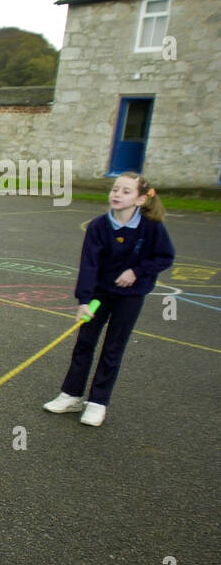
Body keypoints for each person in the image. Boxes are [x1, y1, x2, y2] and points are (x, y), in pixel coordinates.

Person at [43, 173, 175, 426]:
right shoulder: (98, 226)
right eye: (115, 189)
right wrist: (83, 300)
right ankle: (71, 395)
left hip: (130, 296)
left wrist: (136, 271)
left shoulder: (151, 227)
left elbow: (164, 256)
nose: (117, 194)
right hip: (99, 294)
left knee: (113, 348)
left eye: (126, 191)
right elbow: (89, 265)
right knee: (84, 343)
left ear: (140, 200)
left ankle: (97, 402)